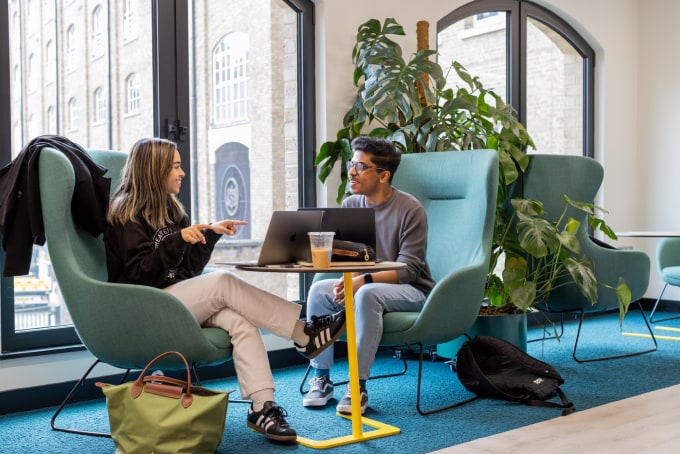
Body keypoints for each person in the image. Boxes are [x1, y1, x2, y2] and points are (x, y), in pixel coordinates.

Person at [104, 137, 346, 443]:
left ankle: (262, 407)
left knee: (239, 319)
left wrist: (209, 236)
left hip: (178, 300)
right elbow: (141, 277)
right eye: (176, 166)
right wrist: (178, 240)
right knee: (222, 281)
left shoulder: (172, 210)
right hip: (146, 306)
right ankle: (302, 333)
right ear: (155, 170)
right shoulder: (124, 215)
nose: (182, 173)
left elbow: (187, 272)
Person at [302, 136, 435, 414]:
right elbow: (350, 258)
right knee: (319, 291)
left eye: (361, 166)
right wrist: (344, 277)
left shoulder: (411, 210)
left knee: (366, 292)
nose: (351, 171)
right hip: (366, 286)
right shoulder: (351, 205)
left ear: (383, 175)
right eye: (352, 164)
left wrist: (363, 280)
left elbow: (409, 269)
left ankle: (357, 385)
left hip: (412, 290)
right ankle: (322, 378)